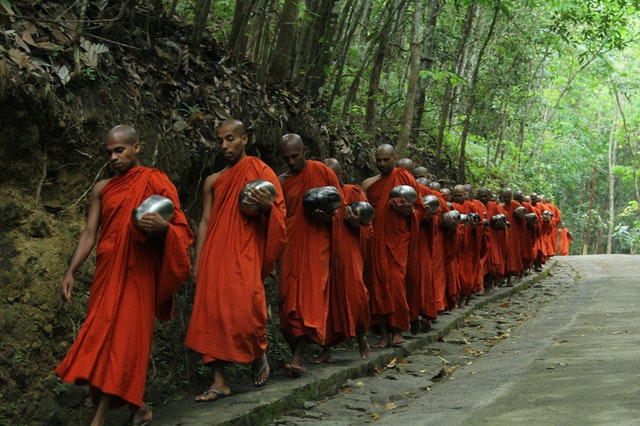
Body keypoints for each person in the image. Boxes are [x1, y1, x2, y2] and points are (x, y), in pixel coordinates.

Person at [56, 125, 193, 426]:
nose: (114, 157)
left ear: (136, 148)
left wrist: (164, 229)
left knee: (125, 341)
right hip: (107, 274)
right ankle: (139, 409)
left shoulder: (155, 181)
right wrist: (71, 270)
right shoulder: (102, 188)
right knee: (102, 338)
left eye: (119, 150)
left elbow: (182, 231)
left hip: (139, 273)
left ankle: (99, 418)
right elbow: (90, 234)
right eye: (109, 152)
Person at [185, 119, 287, 402]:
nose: (224, 146)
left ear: (245, 139)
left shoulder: (261, 172)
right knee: (211, 315)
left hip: (245, 251)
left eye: (230, 139)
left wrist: (267, 208)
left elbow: (279, 216)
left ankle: (258, 354)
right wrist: (198, 258)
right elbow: (205, 220)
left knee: (247, 309)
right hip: (215, 253)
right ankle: (219, 381)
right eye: (220, 141)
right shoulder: (213, 180)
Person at [278, 133, 342, 376]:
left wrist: (328, 218)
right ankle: (298, 351)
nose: (292, 161)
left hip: (317, 243)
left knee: (309, 298)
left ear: (305, 151)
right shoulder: (280, 180)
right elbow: (275, 216)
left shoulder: (321, 171)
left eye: (296, 155)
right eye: (287, 158)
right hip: (290, 245)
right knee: (287, 301)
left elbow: (340, 206)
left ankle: (298, 357)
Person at [362, 144, 426, 348]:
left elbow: (421, 209)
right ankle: (382, 333)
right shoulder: (369, 184)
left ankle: (397, 329)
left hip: (397, 240)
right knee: (375, 284)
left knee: (396, 282)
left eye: (385, 160)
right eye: (378, 160)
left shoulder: (405, 179)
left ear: (394, 158)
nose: (381, 164)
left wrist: (410, 213)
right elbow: (363, 213)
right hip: (374, 241)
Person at [313, 157, 371, 362]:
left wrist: (354, 222)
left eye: (333, 177)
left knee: (357, 293)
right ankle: (325, 348)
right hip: (326, 250)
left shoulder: (354, 192)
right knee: (326, 297)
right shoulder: (321, 196)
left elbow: (367, 226)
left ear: (342, 176)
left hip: (349, 251)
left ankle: (362, 338)